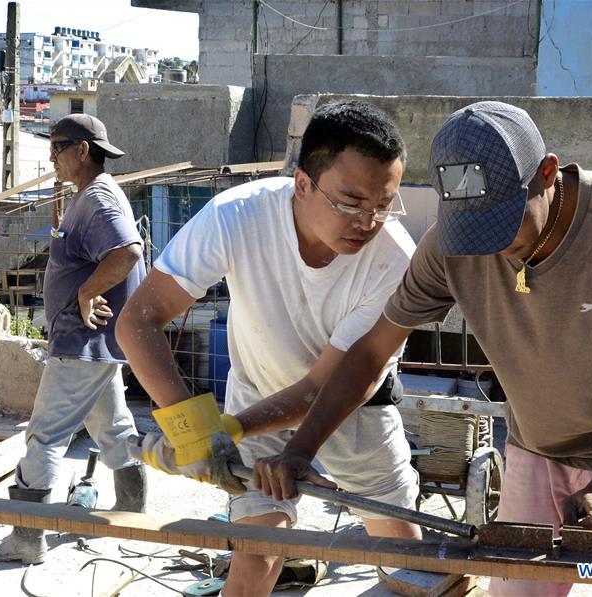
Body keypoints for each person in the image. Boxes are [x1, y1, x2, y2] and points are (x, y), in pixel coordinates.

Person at [255, 101, 592, 597]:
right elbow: (370, 352)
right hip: (537, 450)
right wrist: (301, 449)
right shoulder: (449, 248)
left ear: (548, 174)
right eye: (474, 230)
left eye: (503, 224)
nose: (489, 248)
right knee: (515, 590)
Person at [116, 101, 422, 596]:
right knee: (256, 551)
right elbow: (138, 320)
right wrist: (192, 430)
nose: (368, 221)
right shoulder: (238, 216)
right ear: (303, 184)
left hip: (350, 408)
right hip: (257, 389)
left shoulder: (396, 263)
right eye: (351, 202)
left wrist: (226, 430)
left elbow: (325, 387)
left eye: (384, 205)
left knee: (407, 556)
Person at [0, 114, 149, 565]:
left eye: (57, 147)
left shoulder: (96, 199)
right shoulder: (87, 196)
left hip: (83, 344)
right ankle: (132, 510)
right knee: (113, 428)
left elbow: (127, 252)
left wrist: (85, 291)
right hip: (95, 345)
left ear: (83, 150)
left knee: (45, 436)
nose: (51, 156)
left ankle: (25, 538)